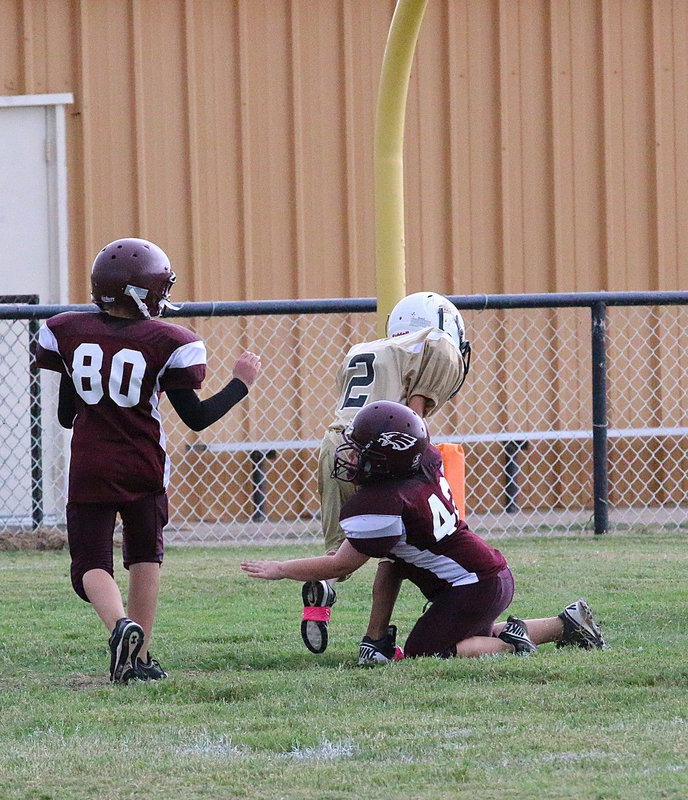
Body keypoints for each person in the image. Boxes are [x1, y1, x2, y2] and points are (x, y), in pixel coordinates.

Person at [35, 237, 261, 683]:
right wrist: (240, 383)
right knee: (145, 559)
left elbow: (66, 415)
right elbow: (195, 418)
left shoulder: (67, 330)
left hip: (89, 464)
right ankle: (139, 661)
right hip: (144, 464)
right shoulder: (169, 341)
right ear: (147, 293)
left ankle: (120, 626)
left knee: (90, 567)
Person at [242, 402, 605, 659]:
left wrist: (281, 569)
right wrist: (375, 636)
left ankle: (515, 644)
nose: (350, 457)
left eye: (359, 451)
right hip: (484, 574)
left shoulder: (383, 502)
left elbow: (340, 565)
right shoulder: (423, 462)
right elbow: (392, 563)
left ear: (386, 460)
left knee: (428, 652)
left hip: (471, 586)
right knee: (418, 586)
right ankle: (564, 624)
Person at [301, 292, 472, 662]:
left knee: (339, 549)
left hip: (336, 445)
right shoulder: (438, 345)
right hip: (382, 452)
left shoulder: (363, 349)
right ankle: (374, 639)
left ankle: (324, 588)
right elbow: (411, 420)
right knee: (397, 544)